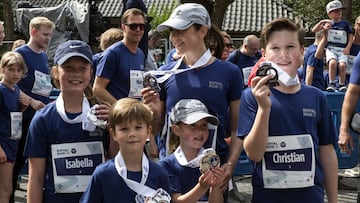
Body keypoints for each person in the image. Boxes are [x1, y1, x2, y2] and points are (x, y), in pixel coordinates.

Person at [142, 3, 244, 196]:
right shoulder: (164, 74)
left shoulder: (229, 72)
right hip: (173, 176)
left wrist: (230, 165)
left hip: (214, 172)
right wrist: (153, 111)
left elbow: (237, 128)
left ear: (202, 31)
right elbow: (156, 129)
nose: (174, 37)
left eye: (181, 30)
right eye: (172, 31)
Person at [237, 18, 338, 203]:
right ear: (264, 55)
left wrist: (333, 200)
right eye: (275, 48)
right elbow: (254, 154)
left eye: (290, 46)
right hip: (267, 197)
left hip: (310, 197)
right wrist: (264, 109)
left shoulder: (316, 97)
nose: (283, 54)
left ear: (301, 52)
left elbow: (327, 152)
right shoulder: (251, 96)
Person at [24, 40, 110, 203]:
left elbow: (116, 161)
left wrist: (115, 127)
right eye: (68, 68)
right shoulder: (43, 119)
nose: (76, 74)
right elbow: (36, 177)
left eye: (82, 68)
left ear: (91, 72)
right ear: (55, 72)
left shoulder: (102, 113)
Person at [80, 98, 171, 203]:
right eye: (124, 129)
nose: (132, 134)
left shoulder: (160, 174)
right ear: (114, 134)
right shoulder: (103, 173)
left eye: (138, 127)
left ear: (148, 131)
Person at [11, 16, 55, 202]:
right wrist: (31, 101)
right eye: (44, 35)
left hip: (40, 115)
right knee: (17, 160)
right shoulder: (21, 54)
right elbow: (10, 84)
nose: (47, 39)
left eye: (50, 35)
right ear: (33, 32)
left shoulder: (43, 55)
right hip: (23, 116)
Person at [159, 99, 225, 202]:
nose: (199, 131)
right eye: (192, 125)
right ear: (176, 129)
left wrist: (215, 187)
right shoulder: (167, 165)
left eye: (204, 125)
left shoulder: (213, 161)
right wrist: (201, 188)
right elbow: (176, 201)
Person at [93, 8, 146, 106]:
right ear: (123, 27)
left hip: (135, 113)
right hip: (118, 116)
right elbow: (98, 89)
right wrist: (120, 108)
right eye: (133, 26)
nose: (138, 30)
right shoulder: (113, 53)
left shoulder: (140, 54)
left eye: (141, 26)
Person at [0, 51, 29, 202]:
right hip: (3, 145)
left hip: (12, 143)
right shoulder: (1, 90)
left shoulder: (16, 89)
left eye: (19, 70)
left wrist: (22, 108)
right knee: (6, 190)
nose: (15, 74)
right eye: (11, 69)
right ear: (2, 69)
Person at [312, 0, 353, 92]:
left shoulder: (345, 24)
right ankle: (332, 83)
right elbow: (314, 30)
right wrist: (322, 22)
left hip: (342, 49)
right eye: (335, 11)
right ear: (329, 14)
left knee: (342, 65)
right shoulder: (328, 24)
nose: (339, 12)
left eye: (340, 10)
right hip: (331, 48)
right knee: (332, 63)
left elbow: (350, 36)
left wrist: (348, 47)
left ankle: (342, 84)